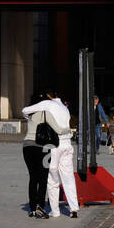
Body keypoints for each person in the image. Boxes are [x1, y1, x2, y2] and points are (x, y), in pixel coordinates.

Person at [24, 90, 78, 219]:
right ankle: (74, 208)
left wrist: (29, 119)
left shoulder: (46, 104)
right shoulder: (65, 108)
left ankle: (55, 211)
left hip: (53, 144)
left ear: (48, 96)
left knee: (51, 178)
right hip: (67, 143)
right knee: (68, 176)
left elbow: (25, 110)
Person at [22, 94, 53, 217]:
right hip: (43, 148)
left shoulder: (29, 114)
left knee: (33, 177)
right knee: (43, 177)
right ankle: (41, 205)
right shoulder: (46, 114)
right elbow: (58, 129)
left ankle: (32, 208)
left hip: (27, 147)